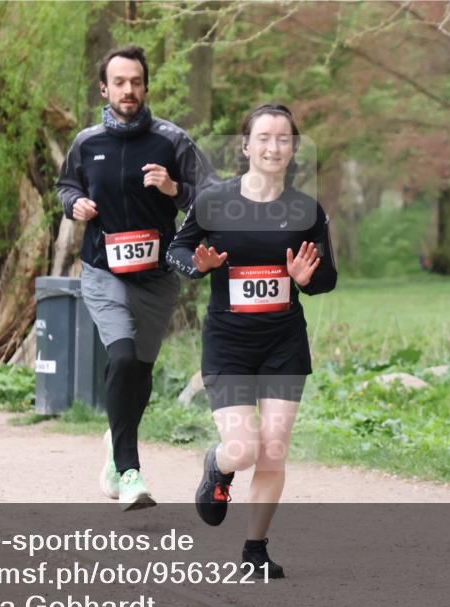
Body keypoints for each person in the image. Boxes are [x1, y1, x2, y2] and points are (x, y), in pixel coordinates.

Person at [167, 103, 337, 577]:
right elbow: (175, 251)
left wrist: (307, 278)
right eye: (263, 138)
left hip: (283, 342)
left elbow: (327, 279)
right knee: (244, 449)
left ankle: (254, 550)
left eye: (283, 139)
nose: (273, 147)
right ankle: (217, 468)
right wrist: (196, 266)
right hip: (229, 343)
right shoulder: (215, 202)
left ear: (293, 148)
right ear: (246, 146)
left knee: (275, 446)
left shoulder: (307, 209)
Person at [57, 45, 214, 511]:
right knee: (122, 357)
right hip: (104, 271)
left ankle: (115, 440)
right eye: (119, 82)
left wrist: (174, 189)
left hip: (158, 275)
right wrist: (74, 204)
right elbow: (67, 183)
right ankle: (129, 472)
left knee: (139, 371)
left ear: (146, 87)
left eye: (136, 82)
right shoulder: (87, 142)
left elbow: (213, 195)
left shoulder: (172, 141)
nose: (129, 90)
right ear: (104, 89)